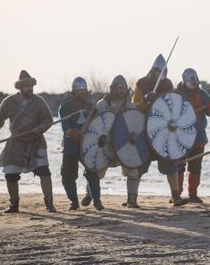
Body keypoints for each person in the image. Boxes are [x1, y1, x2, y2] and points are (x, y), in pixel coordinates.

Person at [0, 70, 56, 213]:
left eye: (31, 86)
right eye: (26, 86)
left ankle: (49, 204)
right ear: (20, 88)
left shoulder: (39, 101)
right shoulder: (9, 102)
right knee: (10, 174)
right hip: (15, 143)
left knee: (44, 172)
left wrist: (40, 128)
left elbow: (48, 119)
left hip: (36, 141)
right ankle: (14, 205)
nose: (29, 89)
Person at [133, 54, 189, 206]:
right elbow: (135, 107)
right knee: (140, 165)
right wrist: (145, 99)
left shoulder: (167, 84)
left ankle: (175, 196)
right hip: (145, 130)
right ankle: (132, 199)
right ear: (153, 70)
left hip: (163, 131)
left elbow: (172, 105)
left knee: (170, 163)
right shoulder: (141, 84)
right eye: (161, 71)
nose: (163, 74)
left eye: (165, 71)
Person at [81, 75, 140, 209]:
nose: (122, 90)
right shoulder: (102, 104)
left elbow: (134, 122)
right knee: (97, 170)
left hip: (123, 143)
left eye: (124, 88)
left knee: (132, 169)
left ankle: (132, 200)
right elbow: (95, 124)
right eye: (120, 88)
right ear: (113, 89)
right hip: (104, 142)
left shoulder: (129, 104)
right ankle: (89, 194)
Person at [175, 68, 210, 203]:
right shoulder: (176, 95)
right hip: (179, 138)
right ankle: (176, 194)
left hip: (198, 138)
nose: (194, 84)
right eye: (191, 81)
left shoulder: (202, 94)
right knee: (178, 167)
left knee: (195, 167)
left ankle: (193, 194)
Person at [58, 77, 96, 211]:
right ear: (74, 91)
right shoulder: (65, 107)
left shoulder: (91, 107)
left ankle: (91, 194)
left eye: (84, 91)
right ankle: (74, 201)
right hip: (71, 146)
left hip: (88, 146)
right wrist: (75, 133)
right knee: (67, 176)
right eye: (79, 91)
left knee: (93, 173)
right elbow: (66, 129)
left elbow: (97, 126)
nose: (82, 93)